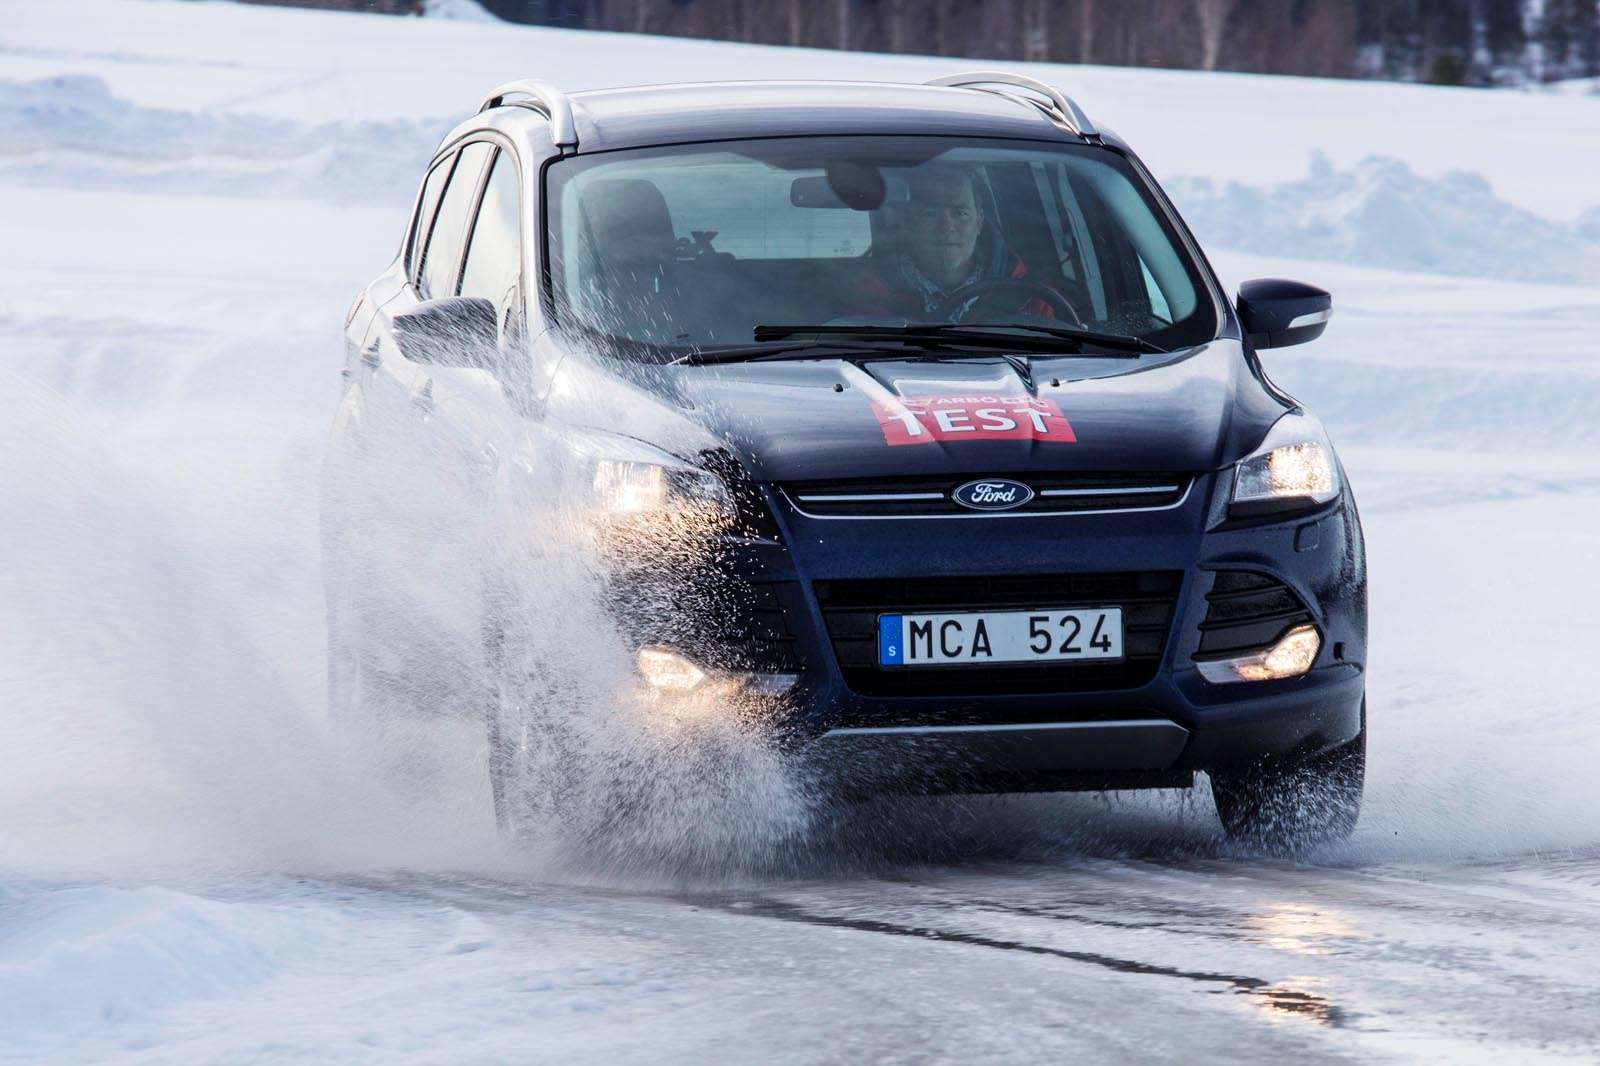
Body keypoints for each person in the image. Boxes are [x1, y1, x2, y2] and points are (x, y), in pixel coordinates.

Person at [851, 165, 1060, 321]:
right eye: (930, 213)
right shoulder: (867, 295)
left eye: (960, 213)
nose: (945, 227)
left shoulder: (1029, 296)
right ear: (907, 223)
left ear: (979, 223)